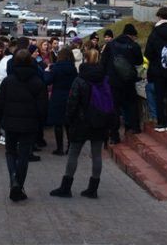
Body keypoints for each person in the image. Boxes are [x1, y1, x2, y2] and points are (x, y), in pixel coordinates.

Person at [50, 49, 116, 199]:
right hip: (99, 121)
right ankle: (93, 188)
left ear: (85, 59)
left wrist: (69, 119)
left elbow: (72, 102)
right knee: (97, 154)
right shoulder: (104, 78)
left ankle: (66, 187)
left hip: (81, 121)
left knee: (73, 153)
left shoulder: (80, 79)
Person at [0, 49, 47, 202]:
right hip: (29, 124)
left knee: (10, 152)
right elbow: (43, 106)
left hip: (10, 123)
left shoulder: (8, 81)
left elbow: (0, 104)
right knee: (24, 155)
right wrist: (40, 123)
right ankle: (19, 184)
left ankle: (14, 179)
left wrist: (0, 121)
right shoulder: (37, 82)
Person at [102, 23, 144, 141]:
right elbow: (139, 61)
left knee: (114, 108)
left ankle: (114, 135)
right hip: (128, 81)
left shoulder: (110, 45)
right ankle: (133, 127)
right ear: (132, 35)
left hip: (113, 82)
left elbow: (103, 63)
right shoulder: (134, 46)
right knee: (131, 104)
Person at [44, 47, 78, 155]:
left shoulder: (56, 67)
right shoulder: (73, 68)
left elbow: (48, 81)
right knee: (68, 123)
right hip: (69, 96)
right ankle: (70, 147)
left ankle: (59, 148)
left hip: (58, 96)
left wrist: (47, 72)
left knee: (58, 124)